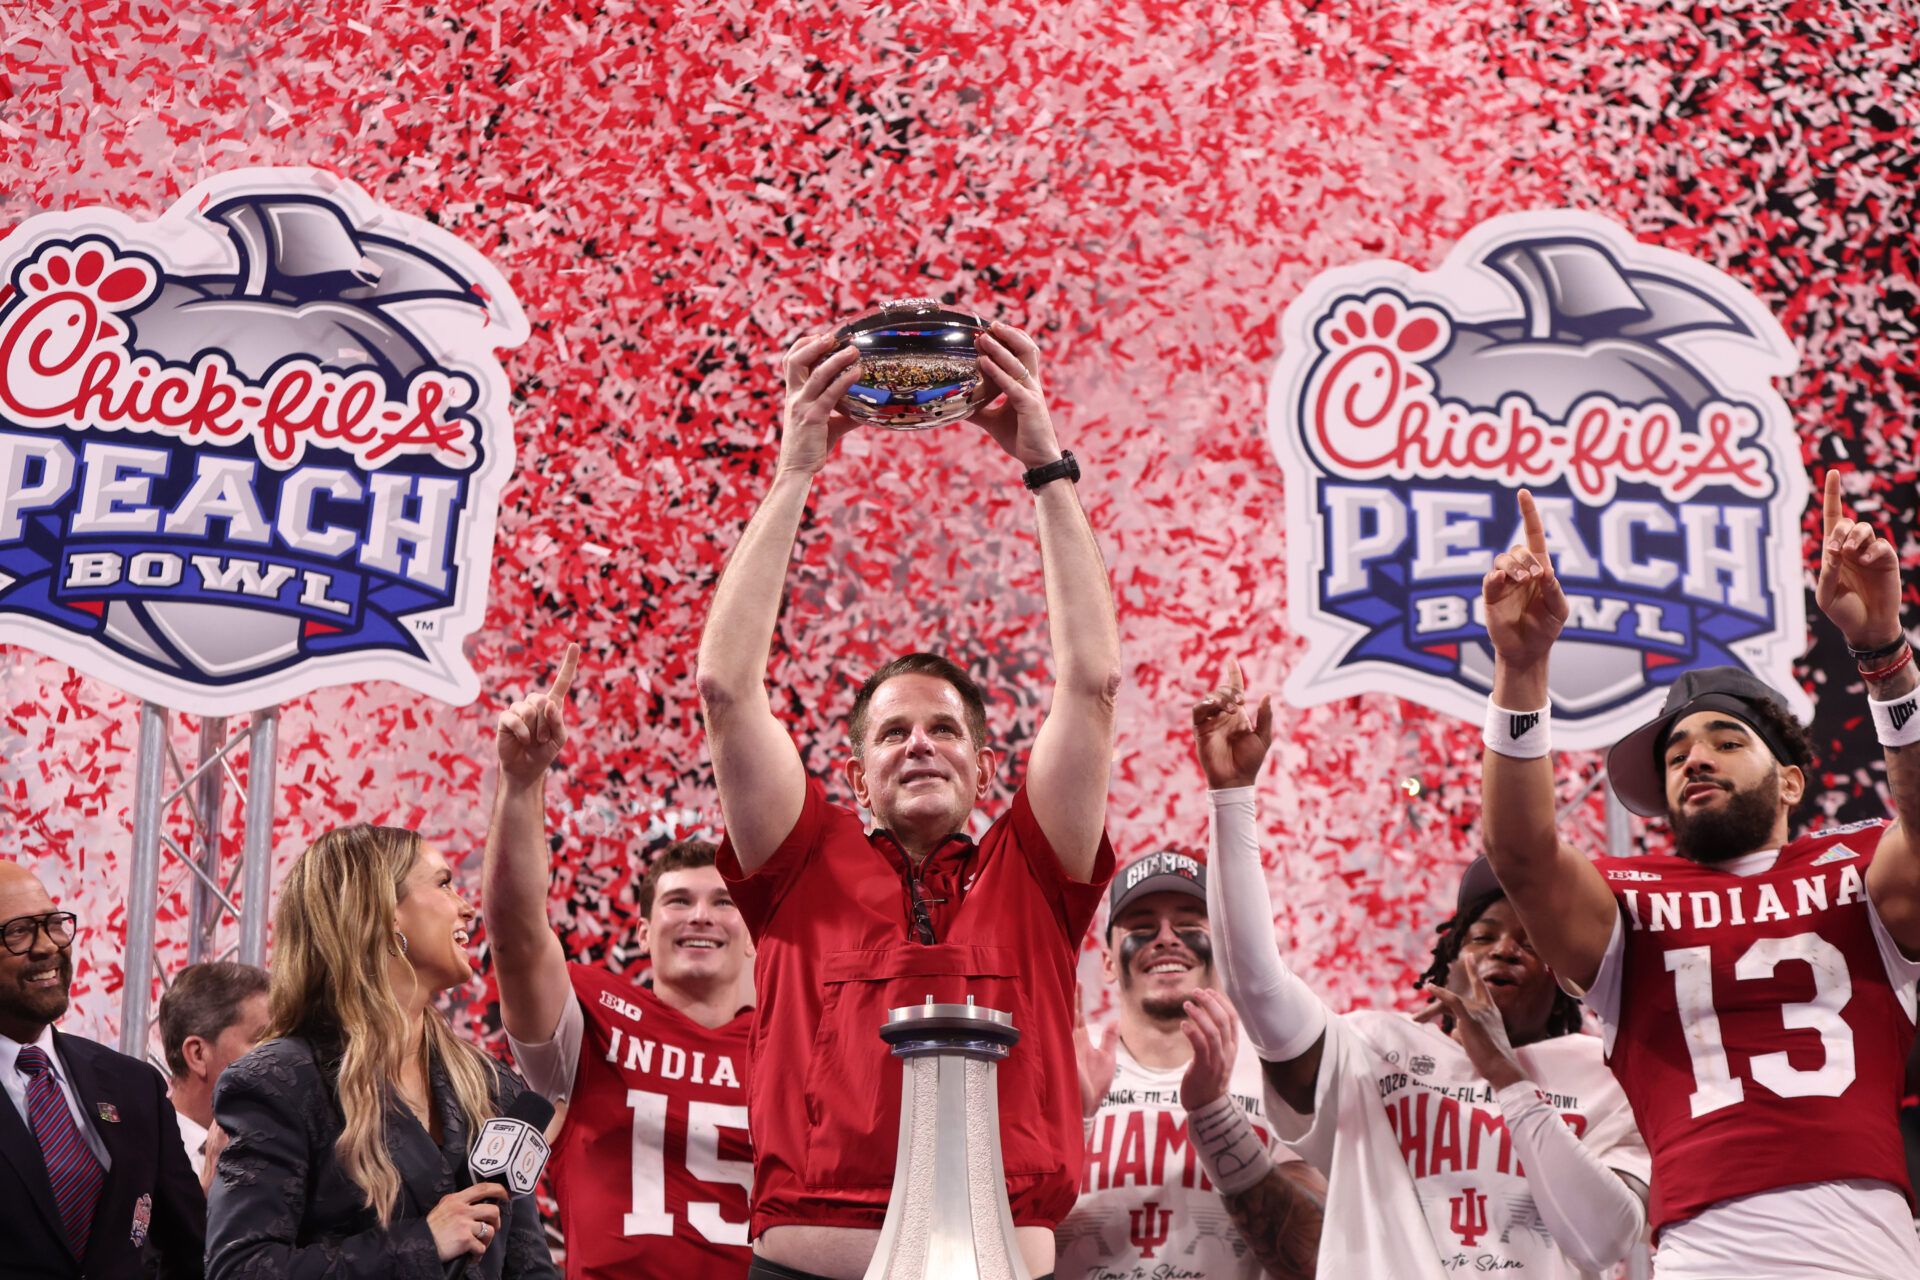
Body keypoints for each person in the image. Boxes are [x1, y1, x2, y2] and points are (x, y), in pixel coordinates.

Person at [697, 325, 1122, 1279]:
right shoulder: (800, 860)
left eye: (943, 730)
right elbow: (727, 688)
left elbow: (1090, 681)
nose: (920, 743)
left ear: (985, 764)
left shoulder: (1036, 870)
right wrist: (795, 469)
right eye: (892, 733)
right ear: (853, 777)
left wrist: (1048, 466)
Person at [1478, 476, 1920, 1278]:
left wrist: (1885, 655)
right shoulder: (1629, 902)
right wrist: (1522, 667)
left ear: (1789, 780)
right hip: (1704, 1254)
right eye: (1676, 754)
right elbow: (1521, 855)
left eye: (1724, 740)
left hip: (1870, 1247)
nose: (1695, 760)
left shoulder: (1857, 866)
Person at [1200, 664, 1651, 1279]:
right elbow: (1257, 987)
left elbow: (1604, 1240)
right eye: (1483, 935)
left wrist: (1507, 1077)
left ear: (1567, 973)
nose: (1503, 951)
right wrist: (1232, 797)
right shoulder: (1373, 1049)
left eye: (1529, 940)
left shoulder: (1607, 1069)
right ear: (1449, 958)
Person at [484, 647, 756, 1278]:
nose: (700, 915)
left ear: (753, 932)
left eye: (723, 901)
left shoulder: (794, 1041)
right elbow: (518, 935)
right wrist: (522, 784)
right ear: (640, 930)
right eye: (678, 901)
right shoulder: (593, 1020)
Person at [204, 825, 557, 1280]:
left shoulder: (493, 1086)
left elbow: (529, 1270)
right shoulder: (279, 1080)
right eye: (444, 884)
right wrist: (422, 1244)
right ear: (383, 910)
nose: (467, 909)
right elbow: (240, 1269)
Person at [1059, 851, 1323, 1279]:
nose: (1165, 938)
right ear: (1108, 961)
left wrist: (1214, 1113)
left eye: (1189, 925)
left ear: (1222, 951)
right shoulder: (1060, 1066)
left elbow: (1314, 1260)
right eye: (1142, 926)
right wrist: (1072, 1121)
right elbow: (993, 1240)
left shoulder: (1279, 1076)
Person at [0, 859, 205, 1280]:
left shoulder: (135, 1085)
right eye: (19, 931)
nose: (48, 946)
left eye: (54, 924)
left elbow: (192, 1249)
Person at [156, 960, 269, 1191]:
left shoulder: (286, 1148)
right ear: (198, 1054)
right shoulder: (139, 1152)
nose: (280, 1055)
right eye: (262, 1040)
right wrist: (205, 1198)